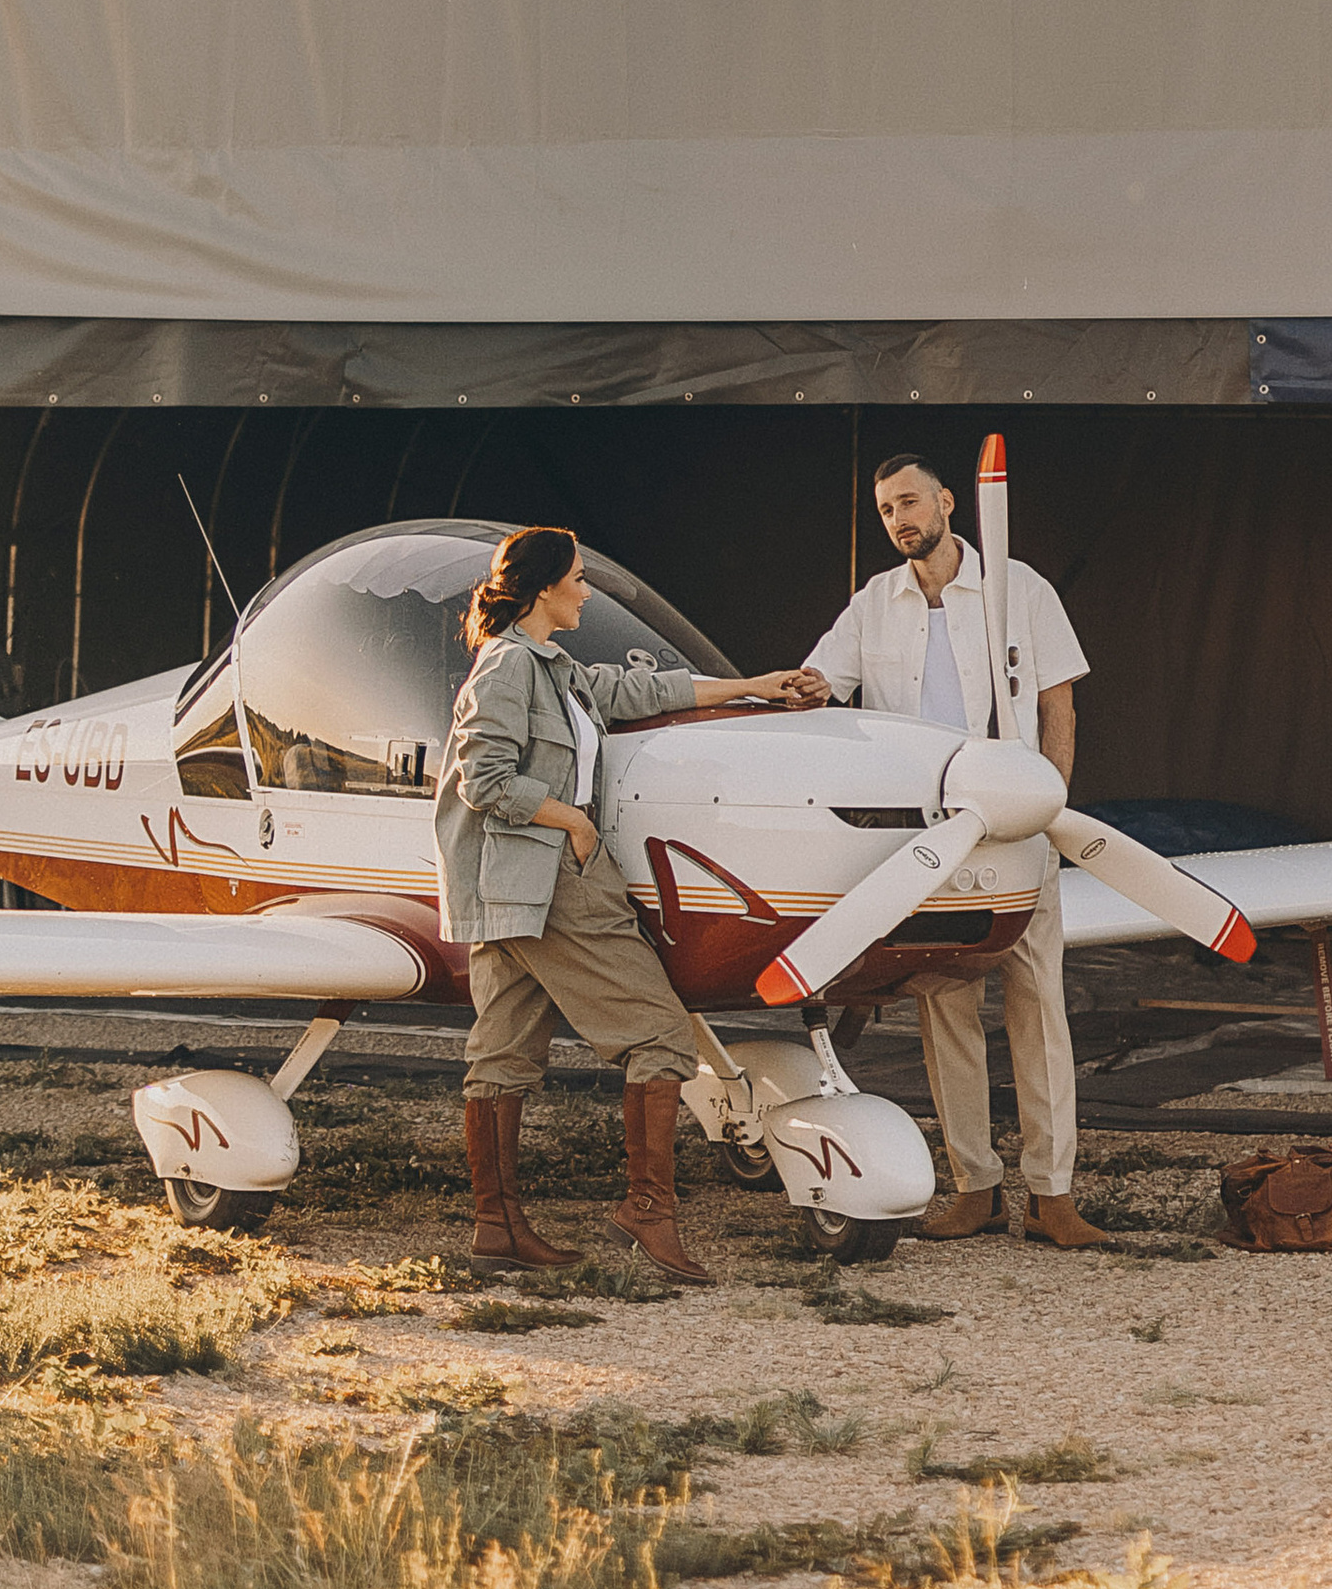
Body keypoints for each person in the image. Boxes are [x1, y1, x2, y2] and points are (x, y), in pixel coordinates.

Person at [435, 524, 827, 1283]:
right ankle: (647, 1211)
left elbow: (646, 691)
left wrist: (756, 685)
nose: (588, 590)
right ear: (545, 587)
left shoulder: (555, 670)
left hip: (514, 885)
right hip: (549, 878)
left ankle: (496, 1229)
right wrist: (575, 821)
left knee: (504, 1053)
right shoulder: (510, 669)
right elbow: (481, 780)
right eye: (579, 578)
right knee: (658, 1035)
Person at [802, 451, 1111, 1248]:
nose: (899, 519)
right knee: (945, 1008)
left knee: (1039, 1004)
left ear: (947, 502)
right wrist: (755, 695)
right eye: (885, 511)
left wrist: (1050, 807)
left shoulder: (1023, 588)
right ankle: (976, 1185)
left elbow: (1057, 704)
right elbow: (818, 683)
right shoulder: (874, 603)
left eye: (910, 502)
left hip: (1017, 826)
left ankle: (1053, 1193)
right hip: (930, 842)